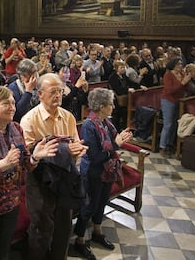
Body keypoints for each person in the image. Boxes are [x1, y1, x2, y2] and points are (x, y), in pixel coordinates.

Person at [0, 86, 58, 260]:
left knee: (3, 251)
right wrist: (3, 164)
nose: (12, 107)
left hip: (10, 203)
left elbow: (25, 165)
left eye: (13, 103)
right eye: (6, 103)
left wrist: (35, 157)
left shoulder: (16, 128)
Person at [20, 73, 87, 260]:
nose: (58, 95)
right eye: (53, 92)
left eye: (60, 91)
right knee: (41, 229)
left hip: (64, 177)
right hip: (40, 179)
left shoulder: (68, 117)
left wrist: (76, 151)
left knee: (64, 227)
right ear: (40, 94)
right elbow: (28, 157)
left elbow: (74, 145)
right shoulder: (29, 120)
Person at [74, 88, 132, 260]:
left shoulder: (106, 122)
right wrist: (116, 145)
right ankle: (80, 240)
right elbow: (94, 156)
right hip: (93, 171)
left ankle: (97, 232)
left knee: (102, 201)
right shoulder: (89, 125)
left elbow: (112, 143)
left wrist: (119, 139)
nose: (113, 107)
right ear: (100, 106)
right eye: (110, 104)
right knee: (89, 205)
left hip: (108, 170)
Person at [159, 58, 191, 157]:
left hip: (179, 101)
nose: (180, 66)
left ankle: (170, 144)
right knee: (168, 124)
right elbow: (170, 90)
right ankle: (162, 147)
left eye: (181, 64)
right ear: (173, 65)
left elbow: (185, 88)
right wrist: (182, 83)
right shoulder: (168, 75)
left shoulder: (181, 75)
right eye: (178, 65)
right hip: (168, 101)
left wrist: (187, 81)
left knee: (174, 125)